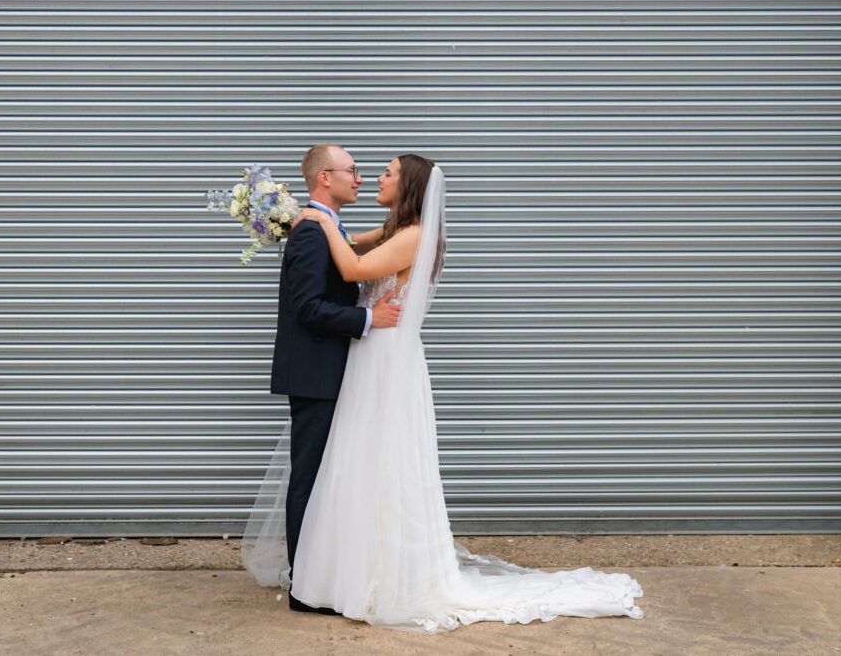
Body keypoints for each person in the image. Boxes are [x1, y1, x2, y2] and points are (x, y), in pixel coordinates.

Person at [246, 154, 644, 633]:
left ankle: (357, 573)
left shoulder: (414, 236)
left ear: (408, 185)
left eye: (386, 173)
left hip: (385, 357)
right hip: (372, 355)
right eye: (364, 170)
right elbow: (353, 243)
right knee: (359, 465)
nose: (374, 176)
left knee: (377, 462)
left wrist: (314, 218)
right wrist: (314, 218)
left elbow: (351, 267)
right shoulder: (398, 231)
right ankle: (337, 570)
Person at [264, 144, 401, 614]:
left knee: (327, 477)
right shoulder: (309, 234)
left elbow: (356, 253)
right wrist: (367, 319)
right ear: (325, 178)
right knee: (309, 477)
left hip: (330, 370)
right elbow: (306, 308)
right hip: (314, 372)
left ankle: (320, 572)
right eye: (353, 171)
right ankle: (304, 584)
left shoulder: (327, 226)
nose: (360, 178)